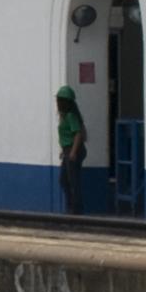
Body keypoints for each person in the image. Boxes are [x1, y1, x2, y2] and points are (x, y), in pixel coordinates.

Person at [55, 85, 89, 215]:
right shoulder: (65, 116)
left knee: (72, 180)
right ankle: (71, 206)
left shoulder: (70, 116)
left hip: (73, 150)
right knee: (64, 179)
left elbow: (78, 134)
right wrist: (64, 151)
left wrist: (73, 152)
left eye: (59, 100)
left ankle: (76, 210)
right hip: (68, 150)